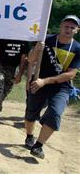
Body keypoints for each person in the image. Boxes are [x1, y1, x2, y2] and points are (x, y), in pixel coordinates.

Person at [24, 15, 80, 159]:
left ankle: (38, 146)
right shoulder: (46, 39)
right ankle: (29, 136)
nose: (68, 29)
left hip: (61, 87)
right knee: (31, 114)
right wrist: (37, 49)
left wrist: (46, 81)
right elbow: (30, 60)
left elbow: (71, 75)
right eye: (66, 26)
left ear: (77, 30)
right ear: (61, 26)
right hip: (37, 83)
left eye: (72, 27)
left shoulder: (77, 48)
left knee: (55, 113)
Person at [0, 38, 30, 125]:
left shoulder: (24, 41)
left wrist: (20, 75)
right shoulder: (3, 38)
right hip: (1, 67)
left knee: (5, 92)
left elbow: (23, 59)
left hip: (14, 69)